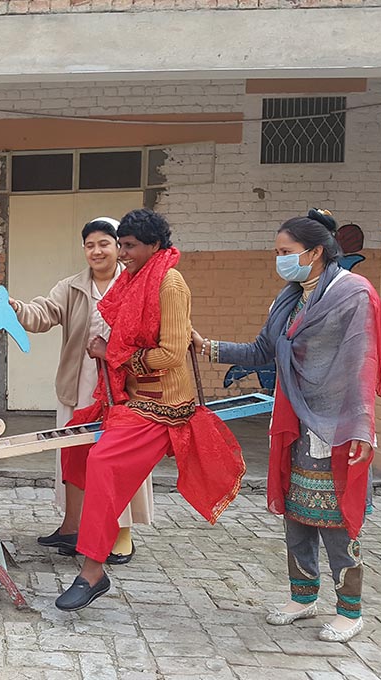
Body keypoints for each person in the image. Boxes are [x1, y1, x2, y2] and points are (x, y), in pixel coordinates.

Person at [193, 209, 381, 643]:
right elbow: (265, 349)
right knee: (298, 513)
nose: (279, 259)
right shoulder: (290, 295)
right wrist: (207, 346)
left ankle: (350, 611)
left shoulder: (353, 294)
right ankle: (303, 596)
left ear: (315, 252)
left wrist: (361, 428)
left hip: (338, 420)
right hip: (296, 417)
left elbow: (362, 363)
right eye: (277, 252)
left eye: (286, 252)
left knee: (337, 516)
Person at [54, 209, 244, 612]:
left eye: (129, 246)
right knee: (76, 442)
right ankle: (80, 533)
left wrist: (113, 355)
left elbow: (172, 354)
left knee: (104, 462)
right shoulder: (133, 278)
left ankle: (92, 571)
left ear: (154, 245)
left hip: (164, 406)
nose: (123, 254)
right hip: (130, 399)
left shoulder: (170, 282)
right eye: (120, 245)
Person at [6, 217, 152, 564]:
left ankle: (122, 534)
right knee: (73, 456)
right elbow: (42, 313)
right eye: (90, 245)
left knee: (118, 461)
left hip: (123, 390)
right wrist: (14, 308)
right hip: (78, 386)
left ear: (119, 247)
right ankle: (73, 526)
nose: (96, 251)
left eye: (104, 243)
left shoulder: (136, 285)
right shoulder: (71, 287)